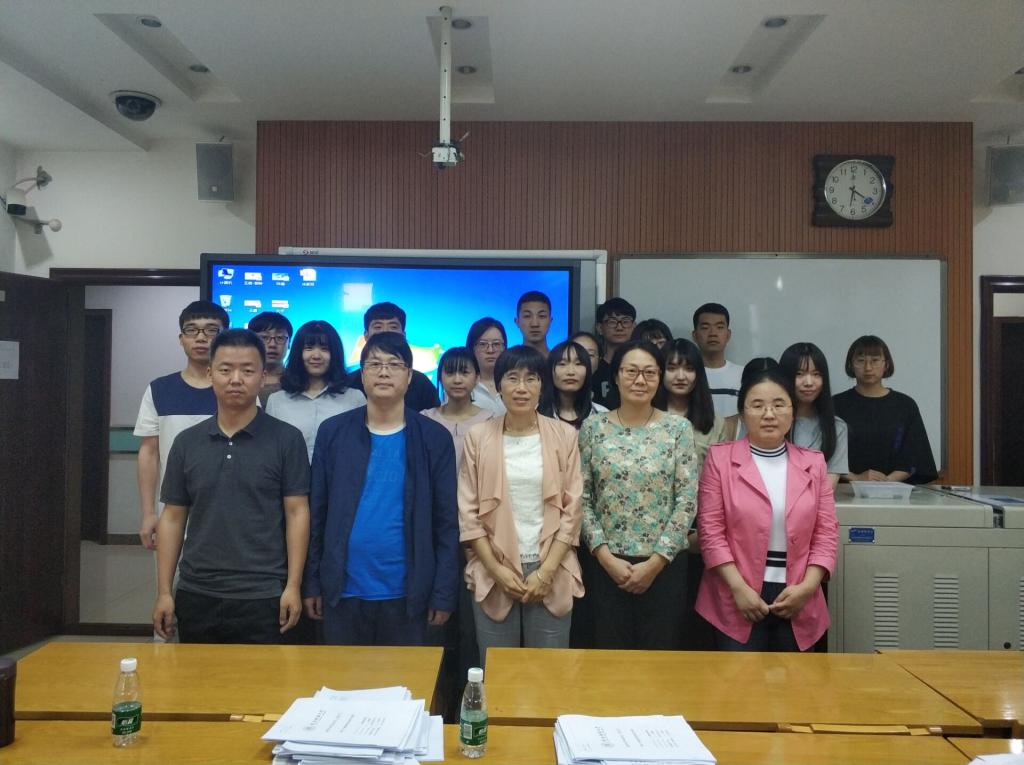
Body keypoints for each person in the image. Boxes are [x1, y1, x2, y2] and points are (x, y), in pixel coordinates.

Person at [152, 329, 310, 644]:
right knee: (197, 675)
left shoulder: (287, 439)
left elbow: (297, 513)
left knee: (263, 677)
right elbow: (172, 517)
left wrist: (293, 585)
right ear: (210, 374)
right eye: (225, 369)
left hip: (264, 593)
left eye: (247, 370)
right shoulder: (187, 442)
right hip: (197, 591)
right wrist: (164, 591)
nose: (236, 379)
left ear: (263, 377)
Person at [303, 332, 460, 646]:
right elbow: (316, 514)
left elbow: (446, 522)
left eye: (394, 364)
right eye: (374, 364)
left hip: (409, 595)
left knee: (406, 677)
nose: (384, 372)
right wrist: (312, 583)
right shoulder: (333, 433)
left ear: (409, 376)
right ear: (362, 375)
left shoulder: (433, 437)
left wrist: (443, 592)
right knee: (341, 677)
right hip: (342, 592)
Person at [695, 362, 838, 652]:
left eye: (779, 405)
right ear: (743, 413)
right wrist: (738, 588)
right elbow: (710, 531)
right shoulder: (720, 460)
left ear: (793, 412)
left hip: (798, 593)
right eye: (757, 405)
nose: (769, 414)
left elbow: (826, 533)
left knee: (797, 679)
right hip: (736, 593)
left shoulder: (813, 463)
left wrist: (808, 588)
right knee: (738, 679)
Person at [458, 345, 583, 663]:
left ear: (543, 385)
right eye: (512, 378)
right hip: (495, 568)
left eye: (531, 378)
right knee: (498, 670)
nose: (521, 387)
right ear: (498, 385)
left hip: (551, 567)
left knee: (550, 672)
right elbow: (468, 513)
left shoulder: (564, 435)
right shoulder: (477, 437)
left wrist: (546, 572)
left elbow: (572, 511)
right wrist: (497, 570)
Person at [579, 340, 697, 649]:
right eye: (631, 371)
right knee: (609, 658)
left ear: (659, 378)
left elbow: (687, 500)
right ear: (616, 377)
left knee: (659, 659)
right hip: (606, 565)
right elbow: (582, 498)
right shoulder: (593, 428)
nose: (640, 380)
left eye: (649, 372)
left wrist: (655, 563)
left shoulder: (678, 429)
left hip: (664, 567)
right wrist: (606, 558)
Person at [134, 300, 228, 551]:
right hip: (171, 510)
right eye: (191, 330)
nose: (201, 337)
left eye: (211, 330)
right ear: (181, 339)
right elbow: (149, 452)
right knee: (169, 576)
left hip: (228, 512)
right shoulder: (160, 389)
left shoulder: (236, 389)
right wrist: (148, 513)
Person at [832, 335, 937, 484]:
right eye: (861, 360)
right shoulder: (835, 404)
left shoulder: (905, 405)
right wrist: (856, 478)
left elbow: (915, 456)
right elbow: (823, 454)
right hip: (845, 489)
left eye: (875, 360)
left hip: (894, 490)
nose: (868, 368)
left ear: (886, 364)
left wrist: (886, 481)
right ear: (851, 365)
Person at [266, 320, 365, 462]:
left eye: (325, 349)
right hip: (290, 475)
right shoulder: (277, 401)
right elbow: (271, 452)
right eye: (309, 348)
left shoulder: (355, 398)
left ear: (335, 353)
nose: (316, 355)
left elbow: (360, 448)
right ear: (298, 353)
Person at [345, 302, 441, 411]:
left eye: (393, 327)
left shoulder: (422, 384)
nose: (385, 332)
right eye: (378, 327)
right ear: (366, 336)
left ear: (403, 335)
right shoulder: (348, 384)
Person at [778, 342, 849, 488]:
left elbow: (828, 486)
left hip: (815, 501)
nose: (809, 382)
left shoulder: (837, 427)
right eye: (799, 374)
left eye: (816, 374)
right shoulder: (767, 420)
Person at [656, 338, 730, 466]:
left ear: (698, 373)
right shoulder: (646, 416)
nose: (680, 376)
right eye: (672, 368)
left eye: (689, 369)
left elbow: (722, 471)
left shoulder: (716, 423)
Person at [420, 346, 495, 466]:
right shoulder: (425, 418)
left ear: (477, 378)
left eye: (464, 373)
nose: (457, 380)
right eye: (450, 373)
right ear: (440, 378)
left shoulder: (489, 421)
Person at [692, 302, 742, 418]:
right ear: (694, 335)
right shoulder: (686, 375)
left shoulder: (743, 374)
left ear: (728, 335)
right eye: (705, 328)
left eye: (719, 327)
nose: (713, 333)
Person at [542, 340, 607, 429]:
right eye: (562, 364)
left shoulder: (602, 415)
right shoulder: (535, 414)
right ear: (550, 371)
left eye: (578, 364)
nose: (571, 372)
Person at [592, 297, 637, 410]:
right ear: (599, 328)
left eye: (625, 321)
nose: (619, 327)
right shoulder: (593, 368)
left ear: (634, 326)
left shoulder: (640, 368)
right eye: (612, 322)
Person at [248, 311, 293, 406]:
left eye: (280, 338)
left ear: (289, 343)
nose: (272, 344)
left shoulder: (298, 381)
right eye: (264, 337)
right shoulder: (242, 380)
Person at [466, 317, 508, 415]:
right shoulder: (462, 383)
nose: (490, 350)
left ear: (504, 347)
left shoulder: (515, 381)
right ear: (472, 347)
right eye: (482, 344)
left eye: (496, 344)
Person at [514, 291, 553, 355]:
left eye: (542, 316)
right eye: (527, 316)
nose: (535, 324)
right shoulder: (508, 360)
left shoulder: (559, 360)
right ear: (517, 322)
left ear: (550, 321)